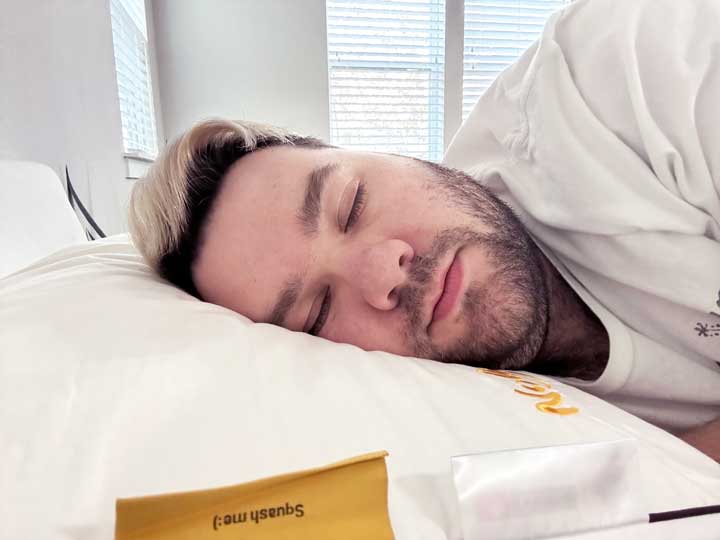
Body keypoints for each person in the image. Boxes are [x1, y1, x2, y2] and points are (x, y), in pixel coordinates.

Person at [128, 0, 719, 460]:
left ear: (388, 152)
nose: (384, 272)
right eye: (317, 313)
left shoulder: (620, 71)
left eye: (352, 203)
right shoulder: (464, 422)